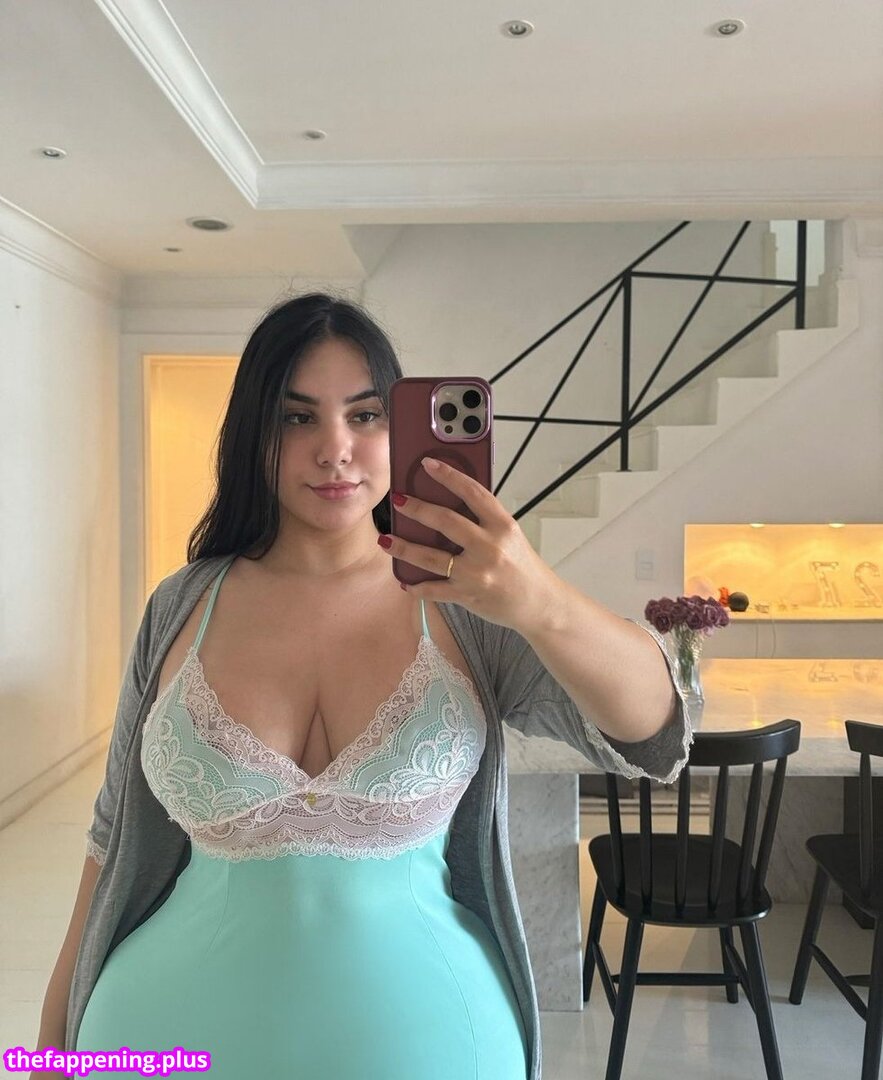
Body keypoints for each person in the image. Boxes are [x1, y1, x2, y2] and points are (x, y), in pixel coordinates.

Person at [32, 293, 691, 1079]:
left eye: (365, 414)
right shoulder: (180, 606)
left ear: (400, 429)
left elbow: (651, 732)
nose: (334, 450)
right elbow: (111, 837)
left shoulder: (468, 605)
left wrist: (538, 600)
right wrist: (52, 1044)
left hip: (435, 1041)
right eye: (296, 417)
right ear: (253, 433)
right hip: (163, 1029)